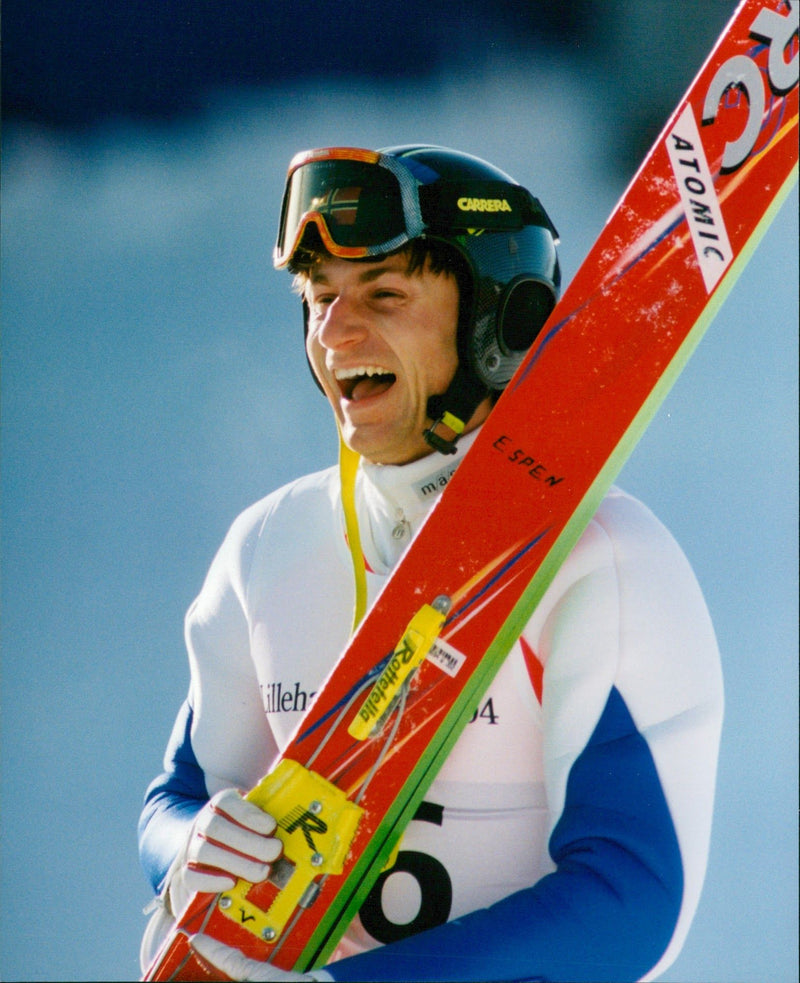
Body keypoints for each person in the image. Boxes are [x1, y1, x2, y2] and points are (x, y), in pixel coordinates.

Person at [138, 145, 724, 982]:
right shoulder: (268, 548)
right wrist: (185, 845)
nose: (334, 333)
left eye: (382, 294)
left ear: (499, 321)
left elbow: (632, 900)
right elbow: (175, 800)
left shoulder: (606, 566)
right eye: (318, 298)